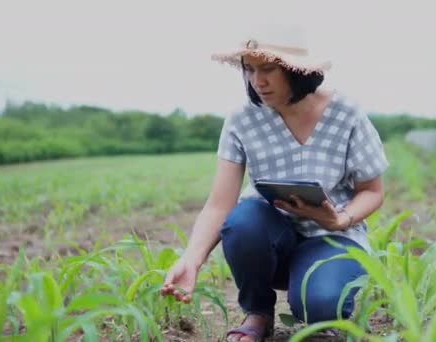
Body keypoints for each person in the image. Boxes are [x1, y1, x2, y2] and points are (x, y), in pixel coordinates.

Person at [160, 25, 389, 342]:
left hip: (332, 236)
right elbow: (219, 204)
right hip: (269, 237)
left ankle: (317, 292)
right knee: (241, 220)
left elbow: (372, 191)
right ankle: (258, 312)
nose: (258, 81)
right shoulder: (242, 119)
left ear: (297, 70)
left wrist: (339, 219)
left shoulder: (346, 113)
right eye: (250, 70)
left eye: (268, 69)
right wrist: (191, 261)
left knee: (319, 306)